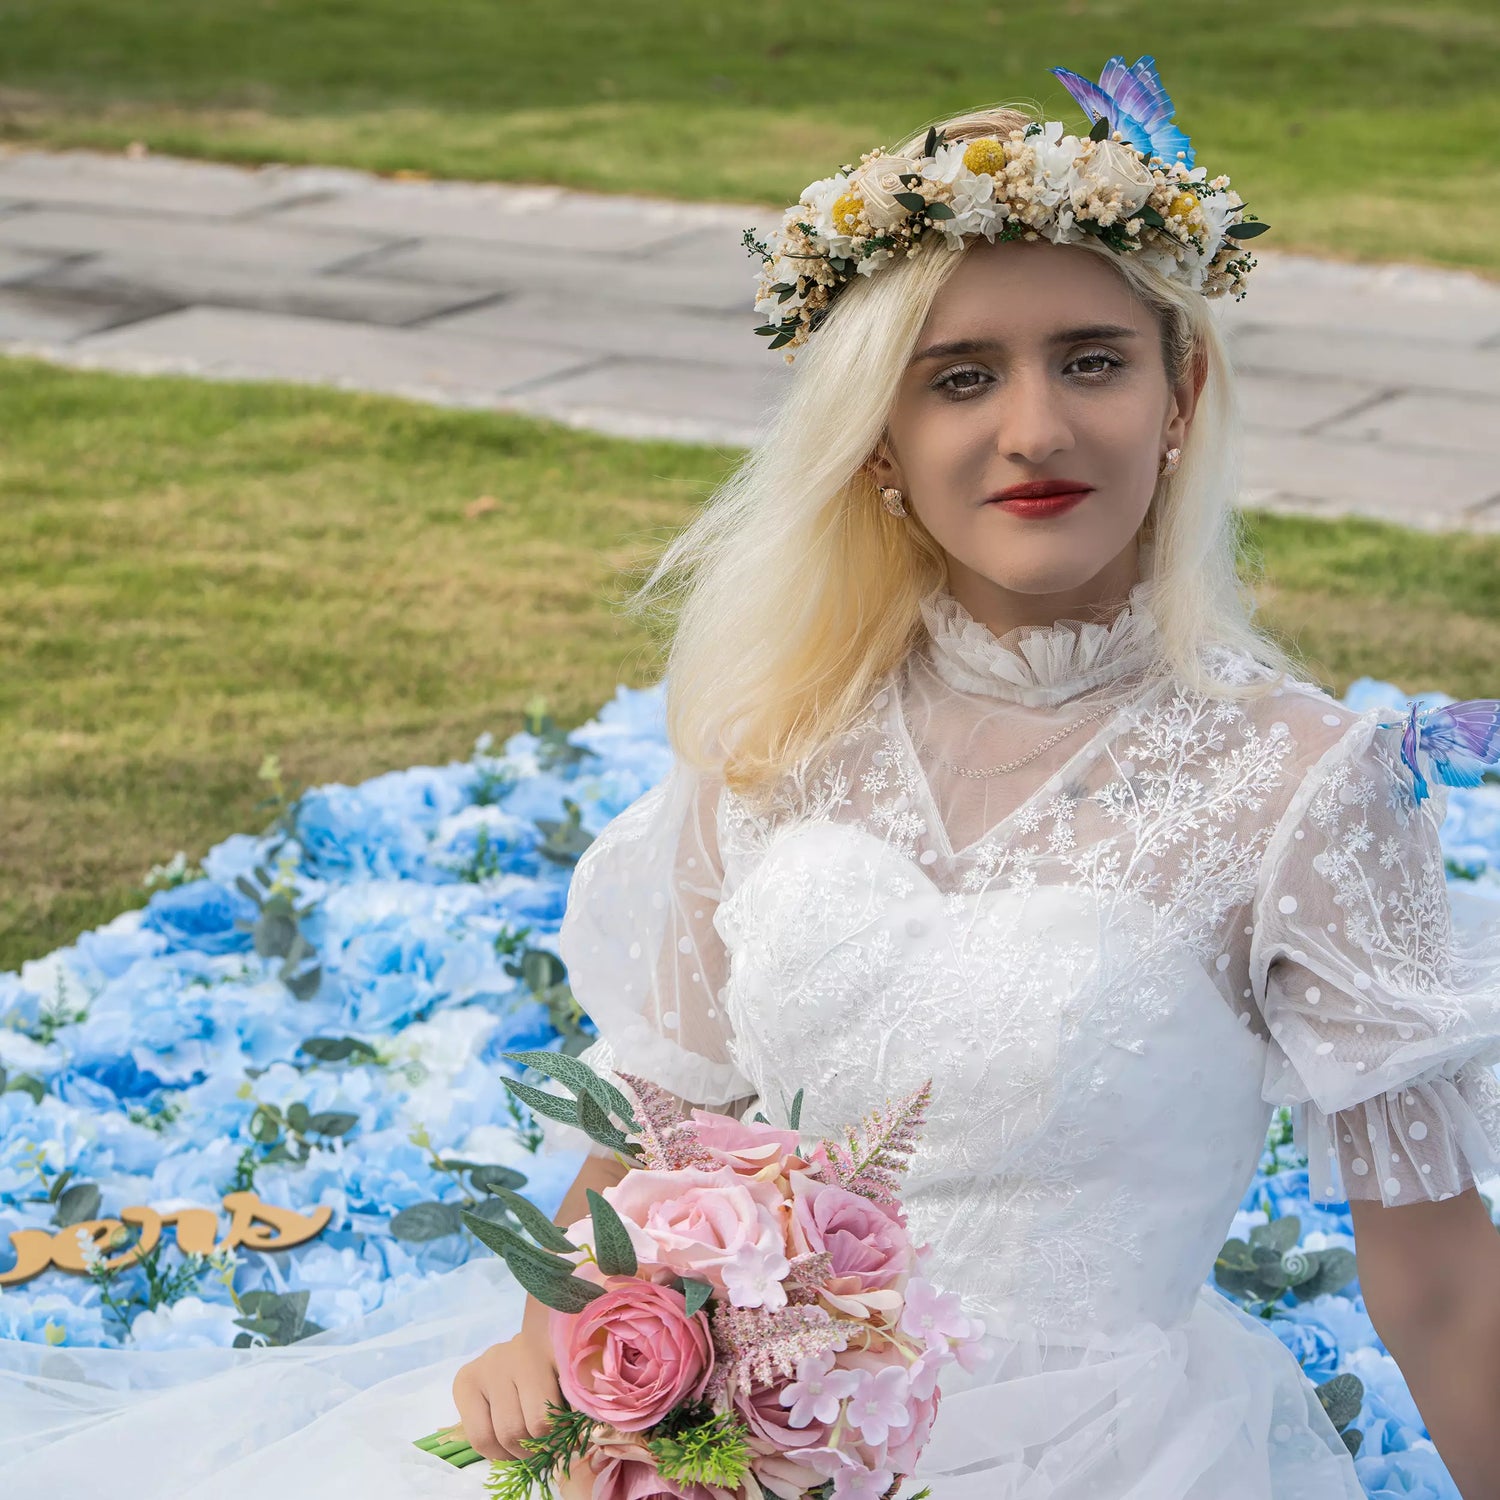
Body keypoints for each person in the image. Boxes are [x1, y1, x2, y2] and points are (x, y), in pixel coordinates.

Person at [7, 56, 1500, 1500]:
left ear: (1179, 403)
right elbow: (655, 1123)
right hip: (723, 1444)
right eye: (960, 378)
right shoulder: (787, 733)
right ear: (879, 446)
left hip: (1097, 1452)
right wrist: (568, 1339)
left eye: (1093, 362)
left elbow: (1434, 1273)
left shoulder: (1303, 784)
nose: (1034, 429)